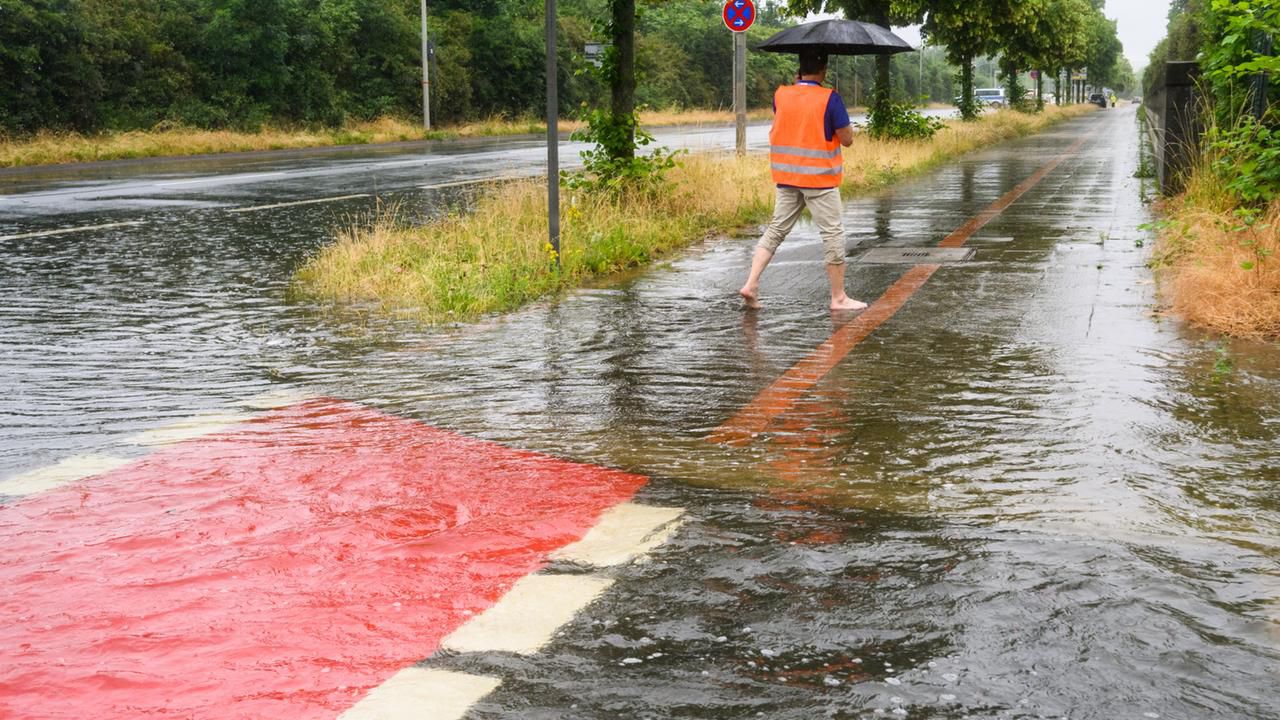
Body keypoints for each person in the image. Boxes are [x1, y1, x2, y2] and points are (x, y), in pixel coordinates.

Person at [738, 50, 866, 312]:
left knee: (776, 230)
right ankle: (838, 297)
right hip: (819, 178)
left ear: (799, 70)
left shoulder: (781, 94)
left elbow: (791, 118)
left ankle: (751, 284)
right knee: (832, 234)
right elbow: (847, 139)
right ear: (824, 71)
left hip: (787, 176)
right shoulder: (830, 98)